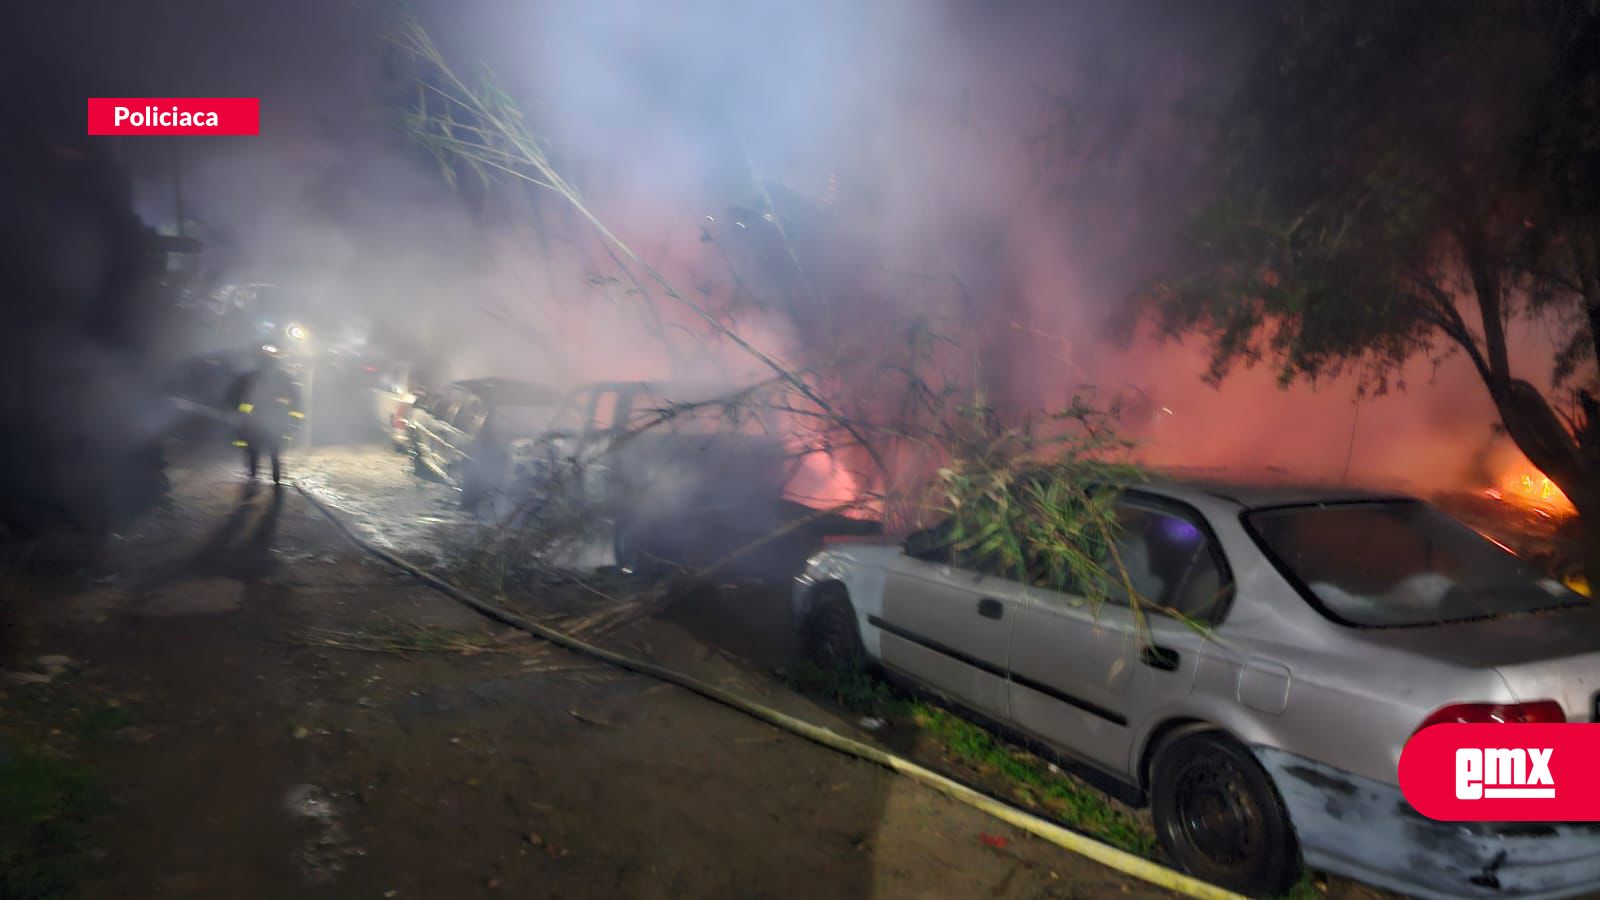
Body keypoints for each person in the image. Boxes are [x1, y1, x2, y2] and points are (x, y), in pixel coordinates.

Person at [226, 348, 304, 486]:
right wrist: (294, 420)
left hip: (263, 420)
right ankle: (267, 475)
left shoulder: (254, 377)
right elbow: (295, 399)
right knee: (270, 450)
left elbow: (241, 400)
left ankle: (256, 475)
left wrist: (242, 417)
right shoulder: (281, 377)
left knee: (259, 449)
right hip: (268, 420)